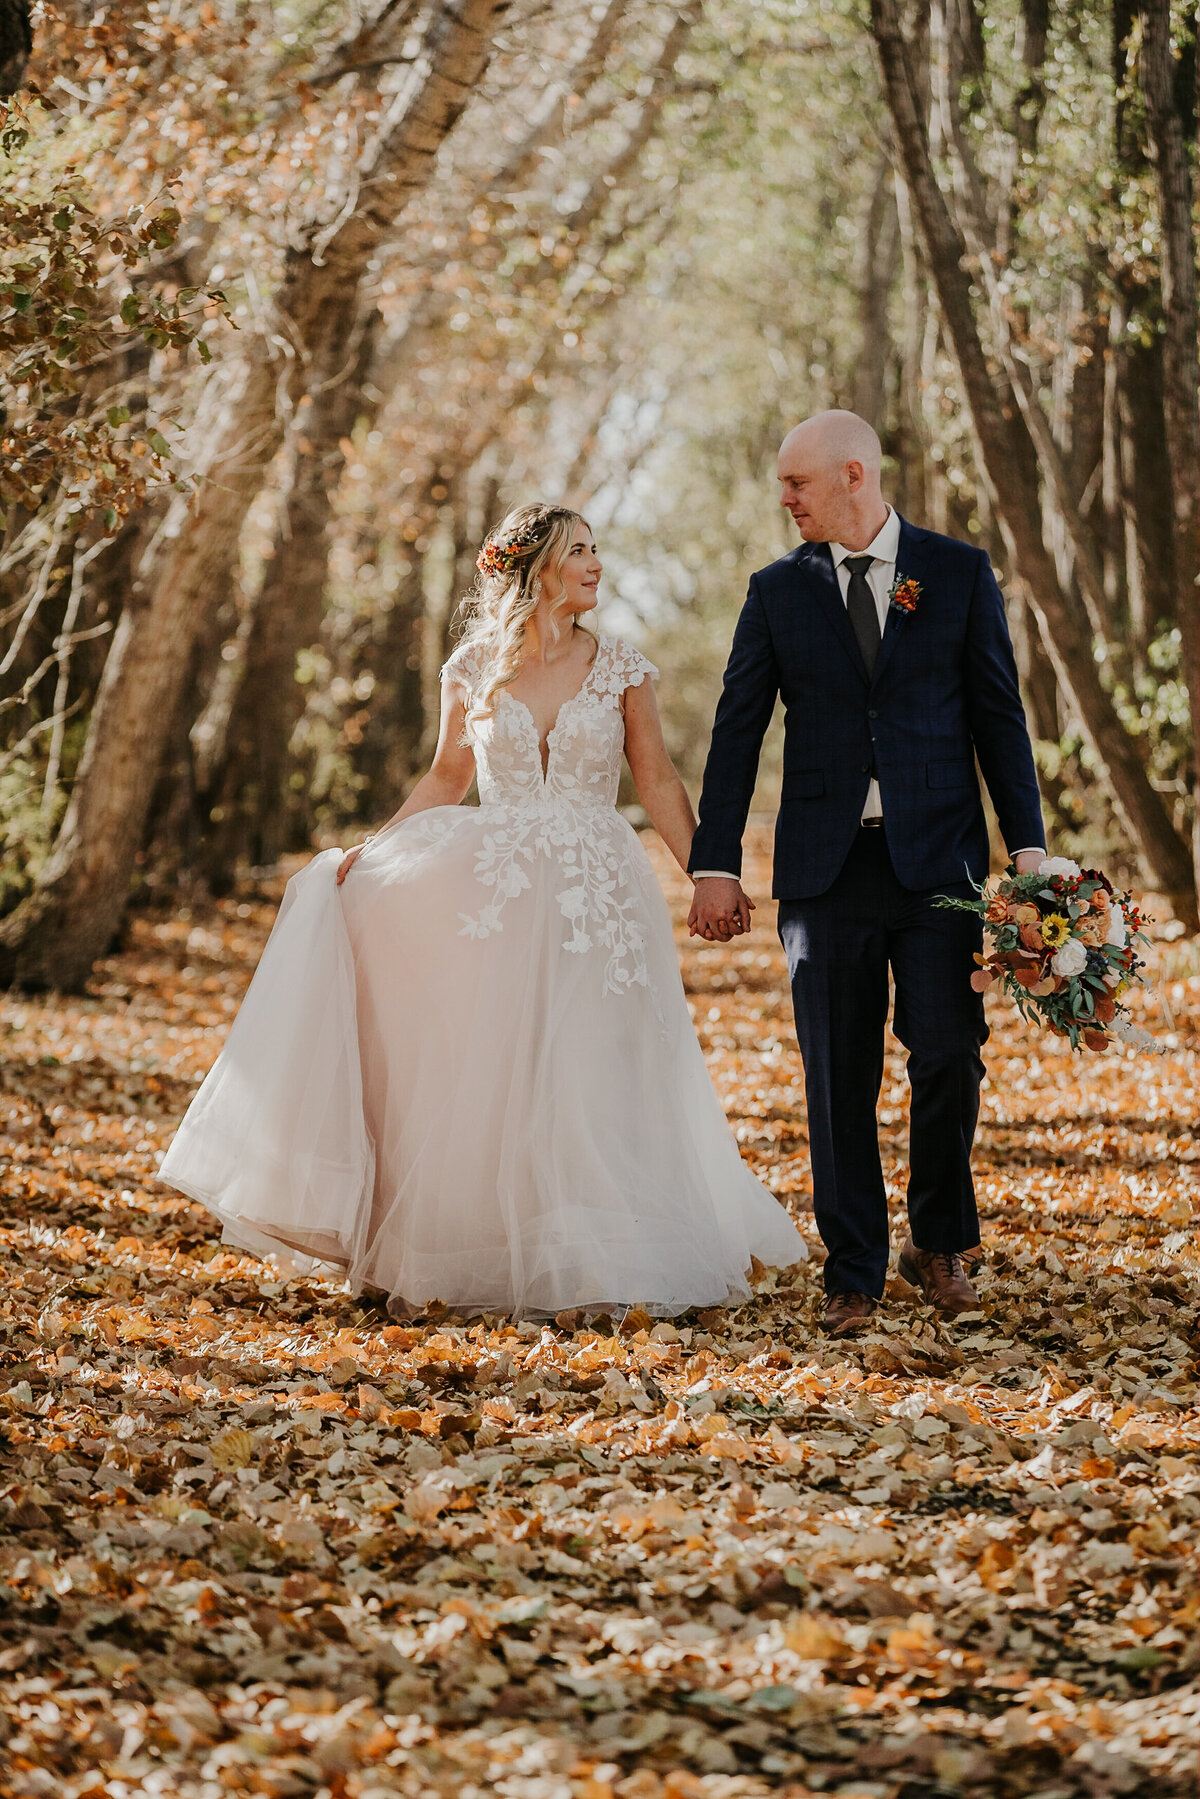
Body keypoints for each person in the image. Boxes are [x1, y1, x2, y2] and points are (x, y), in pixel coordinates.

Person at [159, 504, 804, 1317]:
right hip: (493, 893)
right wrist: (373, 850)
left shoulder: (623, 667)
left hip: (594, 892)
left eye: (597, 550)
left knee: (594, 1060)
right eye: (581, 552)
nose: (598, 565)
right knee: (493, 1068)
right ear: (537, 570)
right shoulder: (469, 667)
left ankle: (598, 1254)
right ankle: (486, 1251)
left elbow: (659, 781)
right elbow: (446, 779)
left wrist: (709, 872)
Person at [687, 411, 1046, 1337]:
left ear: (854, 475)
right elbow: (736, 732)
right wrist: (715, 864)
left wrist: (1031, 851)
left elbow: (998, 718)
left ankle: (943, 1240)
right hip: (824, 869)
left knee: (949, 1054)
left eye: (796, 484)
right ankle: (854, 1268)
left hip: (943, 869)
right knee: (836, 1073)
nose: (784, 499)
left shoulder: (957, 572)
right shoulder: (777, 591)